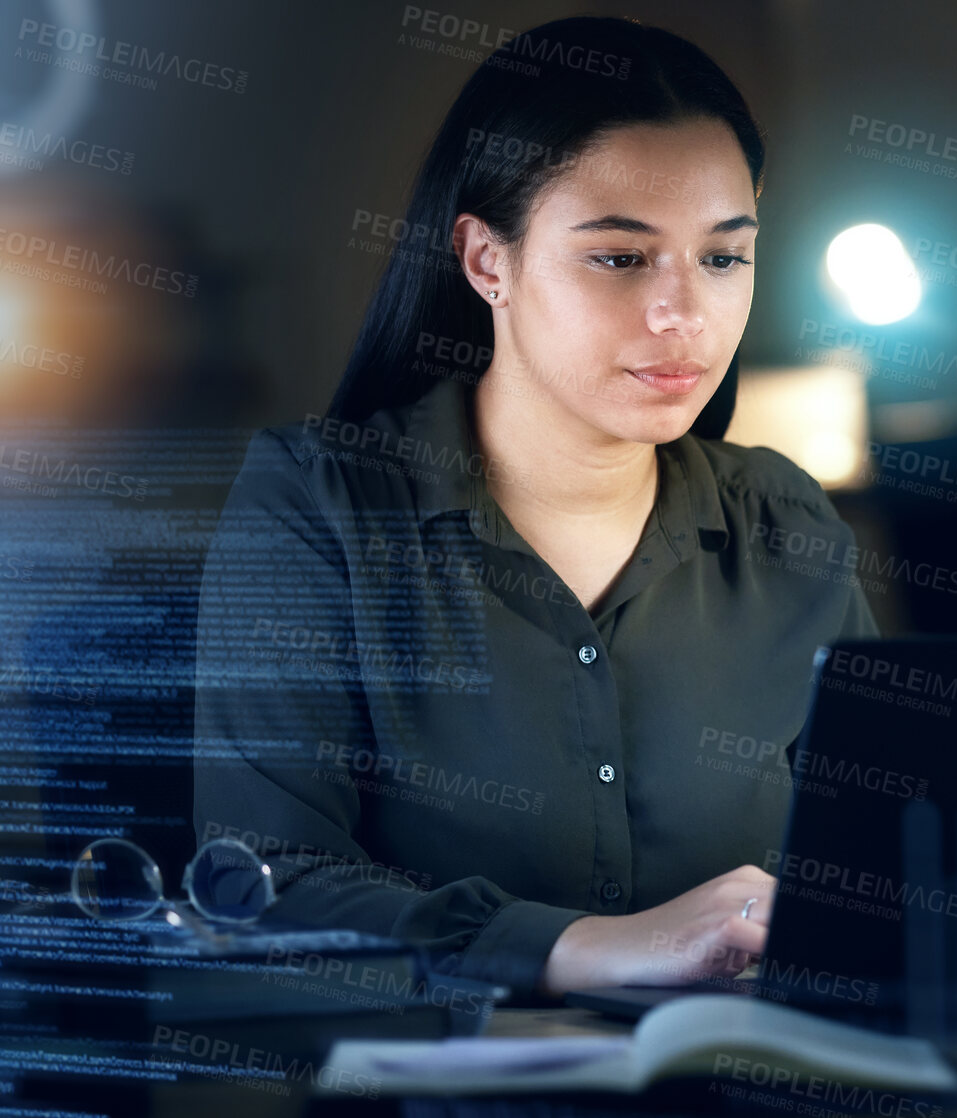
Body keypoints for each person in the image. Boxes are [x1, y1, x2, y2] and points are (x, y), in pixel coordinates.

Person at [192, 16, 877, 999]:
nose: (683, 313)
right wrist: (594, 943)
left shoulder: (786, 523)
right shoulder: (320, 503)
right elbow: (264, 889)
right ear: (487, 262)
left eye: (723, 259)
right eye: (619, 258)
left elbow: (889, 865)